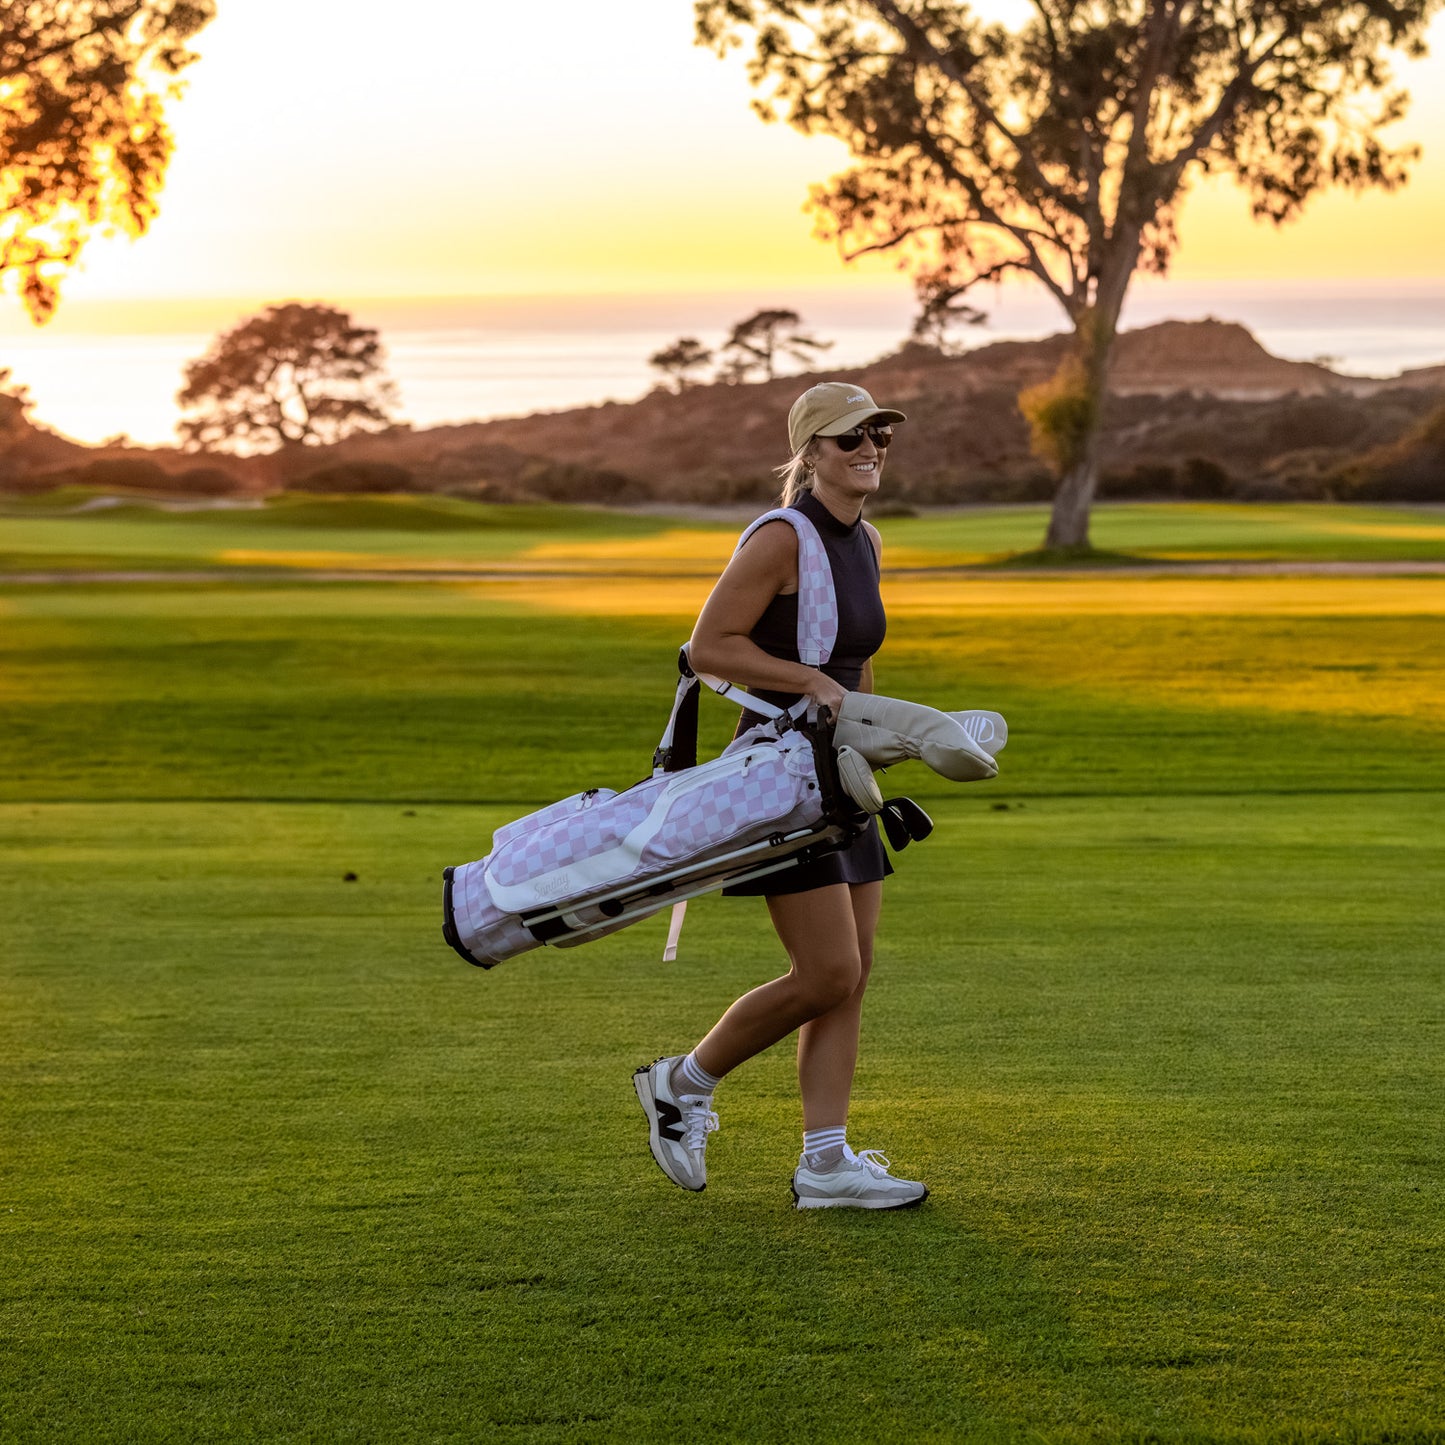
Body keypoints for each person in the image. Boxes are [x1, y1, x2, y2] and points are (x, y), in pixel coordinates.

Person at [633, 381, 927, 1210]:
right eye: (847, 439)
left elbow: (856, 663)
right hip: (778, 777)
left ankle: (825, 1163)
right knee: (827, 970)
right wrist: (808, 684)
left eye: (877, 434)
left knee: (853, 972)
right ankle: (682, 1081)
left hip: (840, 772)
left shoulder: (863, 539)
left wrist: (877, 728)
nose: (868, 448)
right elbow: (708, 647)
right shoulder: (780, 538)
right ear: (810, 454)